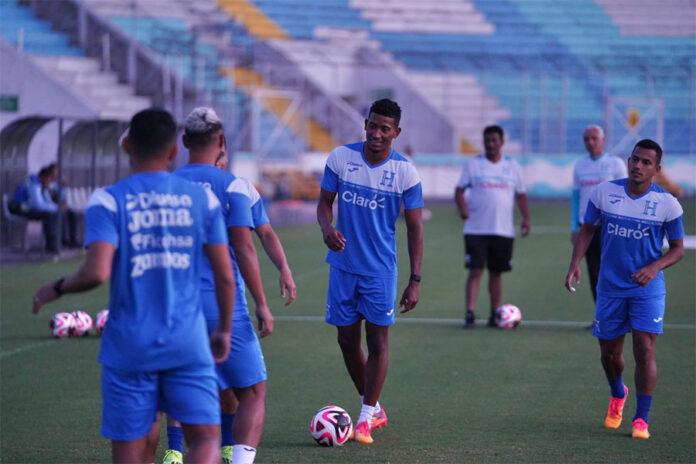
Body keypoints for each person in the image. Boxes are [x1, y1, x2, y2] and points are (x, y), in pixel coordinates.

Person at [31, 108, 235, 463]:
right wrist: (224, 330)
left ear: (126, 146)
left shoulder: (108, 200)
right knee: (204, 441)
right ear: (173, 151)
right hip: (187, 342)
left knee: (131, 448)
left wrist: (58, 287)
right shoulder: (204, 200)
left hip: (129, 346)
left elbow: (96, 273)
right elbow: (224, 275)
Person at [166, 107, 277, 464]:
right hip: (219, 304)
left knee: (181, 389)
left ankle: (173, 451)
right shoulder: (231, 185)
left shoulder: (166, 186)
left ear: (184, 142)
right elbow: (244, 247)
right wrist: (262, 302)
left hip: (171, 305)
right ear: (222, 141)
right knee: (253, 391)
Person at [317, 98, 424, 445]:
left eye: (385, 129)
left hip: (379, 272)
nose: (376, 134)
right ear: (365, 123)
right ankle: (374, 407)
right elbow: (323, 205)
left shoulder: (406, 173)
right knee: (346, 341)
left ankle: (365, 417)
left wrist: (415, 280)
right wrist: (327, 228)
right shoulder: (340, 158)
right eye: (372, 126)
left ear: (396, 132)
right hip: (343, 268)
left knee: (377, 341)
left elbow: (415, 230)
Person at [565, 139, 684, 440]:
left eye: (646, 162)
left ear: (657, 169)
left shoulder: (668, 204)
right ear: (628, 161)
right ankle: (618, 392)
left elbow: (678, 249)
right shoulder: (605, 192)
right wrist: (574, 263)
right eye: (635, 160)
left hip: (647, 288)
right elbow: (587, 229)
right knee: (609, 355)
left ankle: (641, 419)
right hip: (610, 287)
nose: (638, 166)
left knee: (644, 349)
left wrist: (655, 267)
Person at [454, 125, 530, 328]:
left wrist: (526, 219)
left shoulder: (512, 166)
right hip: (476, 229)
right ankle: (469, 313)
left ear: (502, 142)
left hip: (503, 230)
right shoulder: (473, 165)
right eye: (487, 140)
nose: (490, 144)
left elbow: (521, 194)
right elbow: (459, 190)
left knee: (496, 273)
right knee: (475, 270)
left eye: (494, 140)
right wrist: (463, 209)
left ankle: (495, 314)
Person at [571, 126, 627, 327]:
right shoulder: (580, 166)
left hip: (611, 227)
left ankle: (619, 315)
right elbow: (576, 197)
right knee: (595, 273)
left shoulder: (615, 164)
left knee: (613, 271)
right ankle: (601, 318)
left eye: (594, 138)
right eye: (587, 138)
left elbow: (625, 194)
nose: (590, 142)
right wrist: (574, 226)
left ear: (603, 140)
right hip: (587, 227)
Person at [11, 164, 61, 253]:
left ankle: (55, 242)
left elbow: (47, 202)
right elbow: (37, 204)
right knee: (49, 214)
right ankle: (51, 245)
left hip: (29, 207)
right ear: (42, 177)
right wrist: (56, 208)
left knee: (54, 213)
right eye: (49, 179)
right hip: (19, 207)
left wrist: (57, 208)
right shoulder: (33, 183)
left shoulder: (42, 184)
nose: (49, 182)